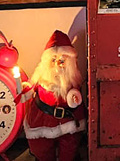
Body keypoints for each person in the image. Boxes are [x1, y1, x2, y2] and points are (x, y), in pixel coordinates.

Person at [20, 30, 86, 161]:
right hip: (42, 121)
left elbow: (75, 92)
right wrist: (25, 90)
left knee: (69, 147)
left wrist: (73, 97)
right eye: (53, 60)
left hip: (68, 121)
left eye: (62, 60)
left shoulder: (72, 78)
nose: (57, 65)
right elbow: (30, 86)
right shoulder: (41, 76)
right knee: (41, 148)